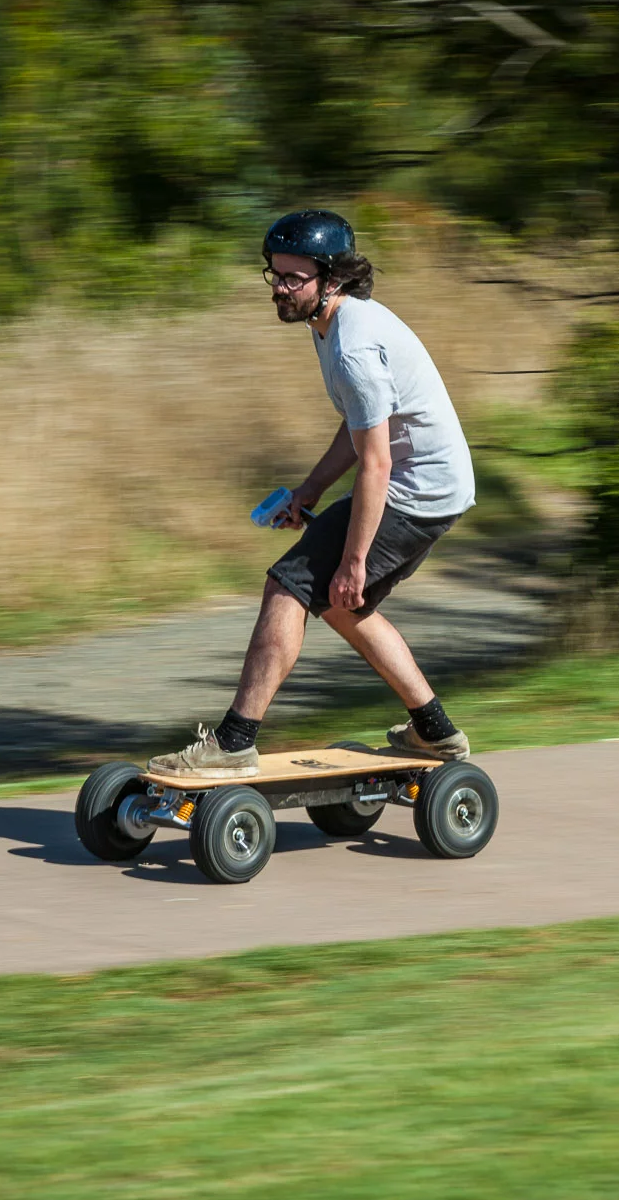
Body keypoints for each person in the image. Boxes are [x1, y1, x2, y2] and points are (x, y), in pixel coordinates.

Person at [150, 209, 476, 778]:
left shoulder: (352, 348)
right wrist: (310, 490)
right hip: (424, 484)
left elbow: (374, 463)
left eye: (292, 279)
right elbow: (362, 429)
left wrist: (352, 560)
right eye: (273, 275)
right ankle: (435, 732)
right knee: (342, 604)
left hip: (414, 491)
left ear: (334, 279)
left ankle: (232, 743)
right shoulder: (331, 325)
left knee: (289, 586)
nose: (278, 288)